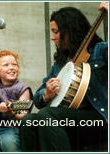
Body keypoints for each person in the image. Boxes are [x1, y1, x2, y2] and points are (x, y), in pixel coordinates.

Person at [20, 2, 108, 152]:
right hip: (72, 121)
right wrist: (46, 95)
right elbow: (37, 99)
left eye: (56, 32)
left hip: (99, 121)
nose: (52, 37)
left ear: (70, 31)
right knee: (28, 121)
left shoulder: (100, 50)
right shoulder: (61, 63)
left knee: (47, 115)